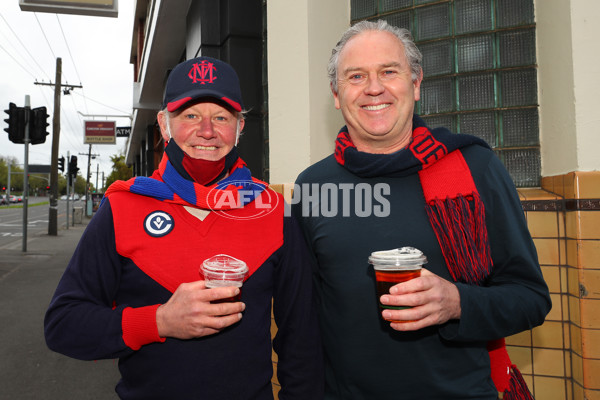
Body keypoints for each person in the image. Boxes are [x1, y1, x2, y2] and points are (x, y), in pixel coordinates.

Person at [292, 20, 551, 399]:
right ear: (336, 93)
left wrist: (457, 302)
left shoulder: (474, 168)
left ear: (415, 84)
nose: (374, 88)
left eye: (389, 72)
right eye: (356, 76)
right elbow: (305, 316)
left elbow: (530, 299)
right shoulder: (314, 186)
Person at [45, 56, 323, 400]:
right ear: (164, 124)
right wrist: (159, 321)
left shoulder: (274, 210)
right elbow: (63, 325)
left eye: (221, 117)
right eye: (190, 115)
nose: (207, 131)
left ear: (239, 128)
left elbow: (302, 340)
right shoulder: (122, 207)